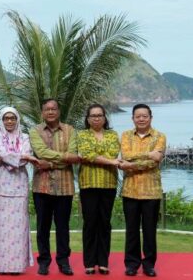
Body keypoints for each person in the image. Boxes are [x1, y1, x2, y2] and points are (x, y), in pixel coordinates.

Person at [28, 98, 81, 276]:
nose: (50, 112)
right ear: (42, 112)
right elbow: (40, 152)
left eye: (54, 109)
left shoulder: (71, 130)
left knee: (62, 227)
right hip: (41, 187)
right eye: (47, 110)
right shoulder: (34, 131)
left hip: (65, 187)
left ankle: (63, 262)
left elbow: (73, 156)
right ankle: (43, 262)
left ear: (59, 111)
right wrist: (65, 158)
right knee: (42, 227)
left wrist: (49, 164)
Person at [0, 107, 38, 274]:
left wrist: (12, 158)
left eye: (12, 118)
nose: (9, 121)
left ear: (17, 120)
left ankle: (17, 266)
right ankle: (0, 265)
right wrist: (22, 157)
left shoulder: (25, 137)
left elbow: (19, 157)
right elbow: (1, 152)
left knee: (19, 226)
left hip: (19, 186)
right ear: (2, 119)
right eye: (6, 118)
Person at [118, 104, 166, 278]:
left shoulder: (160, 136)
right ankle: (131, 264)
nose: (141, 119)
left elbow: (154, 162)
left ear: (150, 117)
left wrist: (131, 164)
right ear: (132, 118)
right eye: (137, 116)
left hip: (151, 191)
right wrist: (149, 154)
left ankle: (149, 265)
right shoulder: (125, 136)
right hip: (130, 190)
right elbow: (126, 155)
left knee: (149, 230)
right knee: (131, 230)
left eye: (144, 116)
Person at [75, 104, 121, 275]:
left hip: (109, 184)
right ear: (87, 119)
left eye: (99, 115)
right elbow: (86, 154)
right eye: (93, 115)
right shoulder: (82, 134)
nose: (96, 118)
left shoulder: (113, 134)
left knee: (104, 223)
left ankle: (103, 261)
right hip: (88, 184)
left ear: (104, 118)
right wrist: (108, 161)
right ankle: (89, 262)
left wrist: (98, 157)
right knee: (90, 223)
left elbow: (114, 152)